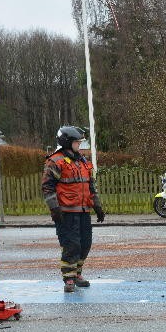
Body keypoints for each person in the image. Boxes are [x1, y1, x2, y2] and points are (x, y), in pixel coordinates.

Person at [42, 126, 105, 293]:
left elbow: (90, 185)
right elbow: (47, 187)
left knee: (85, 244)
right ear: (67, 142)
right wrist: (54, 208)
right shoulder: (56, 161)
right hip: (66, 212)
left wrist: (97, 205)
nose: (80, 145)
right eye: (77, 142)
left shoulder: (82, 161)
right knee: (71, 245)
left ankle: (77, 274)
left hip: (84, 210)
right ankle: (68, 278)